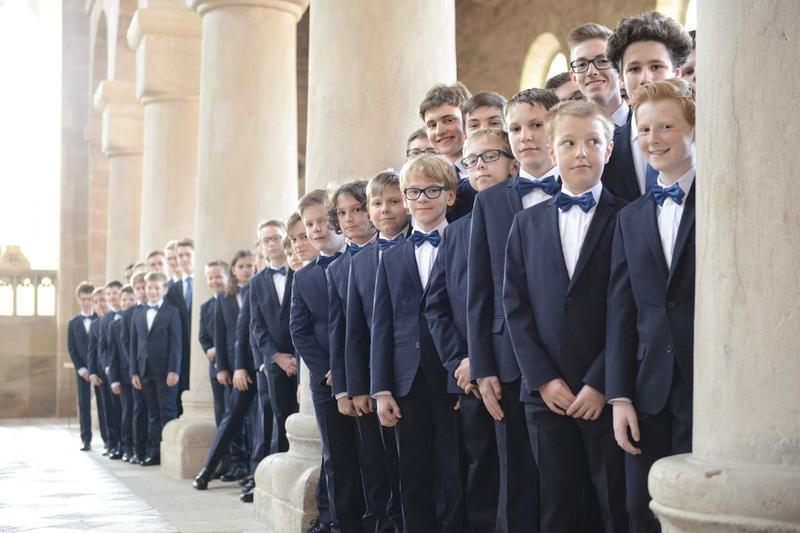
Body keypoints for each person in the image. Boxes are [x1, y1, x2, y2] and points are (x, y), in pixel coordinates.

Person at [503, 100, 628, 532]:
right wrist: (542, 378)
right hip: (546, 394)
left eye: (593, 142)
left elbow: (629, 310)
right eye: (569, 143)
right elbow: (514, 307)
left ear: (608, 150)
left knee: (614, 504)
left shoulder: (629, 218)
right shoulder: (526, 224)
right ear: (552, 152)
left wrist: (600, 381)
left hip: (608, 392)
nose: (581, 152)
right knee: (556, 507)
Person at [467, 88, 560, 533]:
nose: (526, 137)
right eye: (516, 129)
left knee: (565, 479)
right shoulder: (489, 202)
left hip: (569, 350)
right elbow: (479, 292)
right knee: (517, 476)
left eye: (537, 125)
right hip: (506, 361)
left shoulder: (583, 188)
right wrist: (483, 366)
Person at [606, 78, 697, 533]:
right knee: (642, 509)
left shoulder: (720, 200)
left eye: (667, 126)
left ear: (694, 130)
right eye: (644, 129)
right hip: (646, 389)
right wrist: (619, 395)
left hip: (707, 385)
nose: (654, 138)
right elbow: (622, 310)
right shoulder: (631, 216)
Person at [426, 128, 518, 532]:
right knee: (483, 474)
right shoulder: (458, 231)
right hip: (472, 376)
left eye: (490, 157)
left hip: (526, 368)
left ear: (513, 162)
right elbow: (437, 306)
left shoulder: (532, 214)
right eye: (471, 160)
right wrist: (461, 360)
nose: (479, 167)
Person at [372, 155, 465, 532]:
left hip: (452, 376)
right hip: (406, 381)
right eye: (413, 192)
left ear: (451, 195)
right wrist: (381, 389)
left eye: (431, 190)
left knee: (455, 470)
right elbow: (382, 325)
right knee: (412, 475)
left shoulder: (466, 240)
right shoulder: (391, 257)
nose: (422, 198)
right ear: (405, 200)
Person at [291, 189, 363, 533]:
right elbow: (300, 331)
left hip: (364, 374)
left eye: (322, 221)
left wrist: (350, 365)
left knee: (370, 454)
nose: (316, 229)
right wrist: (327, 369)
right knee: (337, 456)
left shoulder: (361, 258)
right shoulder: (303, 277)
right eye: (309, 225)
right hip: (326, 381)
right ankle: (341, 522)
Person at [344, 170, 410, 532]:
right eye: (377, 203)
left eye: (394, 201)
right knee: (381, 459)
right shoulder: (362, 261)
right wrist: (358, 386)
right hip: (377, 376)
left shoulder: (421, 243)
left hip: (416, 372)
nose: (385, 210)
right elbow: (355, 330)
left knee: (414, 465)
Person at [603, 11, 693, 201]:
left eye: (656, 67)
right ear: (621, 79)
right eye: (634, 69)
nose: (645, 78)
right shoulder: (604, 151)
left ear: (677, 73)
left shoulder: (703, 139)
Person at [251, 221, 298, 456]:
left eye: (276, 237)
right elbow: (257, 326)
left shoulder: (299, 270)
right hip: (276, 361)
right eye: (266, 239)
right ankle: (280, 469)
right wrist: (277, 357)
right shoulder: (256, 282)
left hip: (303, 357)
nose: (271, 243)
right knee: (279, 418)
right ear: (260, 245)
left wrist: (298, 358)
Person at [130, 272, 181, 466]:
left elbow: (176, 343)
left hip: (165, 370)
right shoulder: (138, 313)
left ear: (165, 290)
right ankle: (154, 452)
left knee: (167, 411)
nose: (152, 291)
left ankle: (169, 452)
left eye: (157, 288)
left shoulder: (172, 312)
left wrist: (174, 370)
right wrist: (134, 371)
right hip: (144, 370)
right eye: (149, 288)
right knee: (152, 413)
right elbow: (134, 344)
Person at [419, 82, 475, 221]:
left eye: (449, 120)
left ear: (467, 120)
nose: (440, 131)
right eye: (432, 125)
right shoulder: (427, 177)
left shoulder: (489, 169)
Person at [91, 280, 123, 459]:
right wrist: (106, 366)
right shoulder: (104, 321)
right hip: (109, 372)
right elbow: (101, 349)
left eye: (114, 294)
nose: (111, 297)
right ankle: (114, 444)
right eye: (108, 294)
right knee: (110, 410)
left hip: (126, 371)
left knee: (125, 410)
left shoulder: (129, 314)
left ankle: (126, 445)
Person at [165, 238, 195, 414]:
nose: (183, 259)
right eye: (180, 256)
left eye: (187, 255)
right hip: (179, 350)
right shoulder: (172, 289)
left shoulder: (205, 283)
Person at [107, 285, 137, 462]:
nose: (127, 303)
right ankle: (127, 447)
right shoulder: (114, 326)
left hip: (140, 376)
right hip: (124, 377)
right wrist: (114, 380)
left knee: (138, 413)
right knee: (127, 412)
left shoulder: (140, 320)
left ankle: (139, 446)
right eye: (124, 299)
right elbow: (112, 356)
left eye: (131, 299)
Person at [199, 261, 229, 429]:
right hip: (215, 366)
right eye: (210, 278)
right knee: (220, 409)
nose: (214, 281)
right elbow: (203, 336)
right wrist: (209, 348)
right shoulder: (206, 307)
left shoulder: (235, 300)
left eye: (218, 276)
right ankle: (225, 453)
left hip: (235, 365)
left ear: (227, 277)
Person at [67, 281, 97, 451]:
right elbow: (71, 348)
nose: (86, 302)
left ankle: (109, 440)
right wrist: (81, 369)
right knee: (84, 404)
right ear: (78, 300)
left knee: (104, 404)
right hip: (82, 370)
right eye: (83, 299)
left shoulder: (100, 319)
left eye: (89, 298)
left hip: (99, 368)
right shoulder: (73, 323)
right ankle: (86, 439)